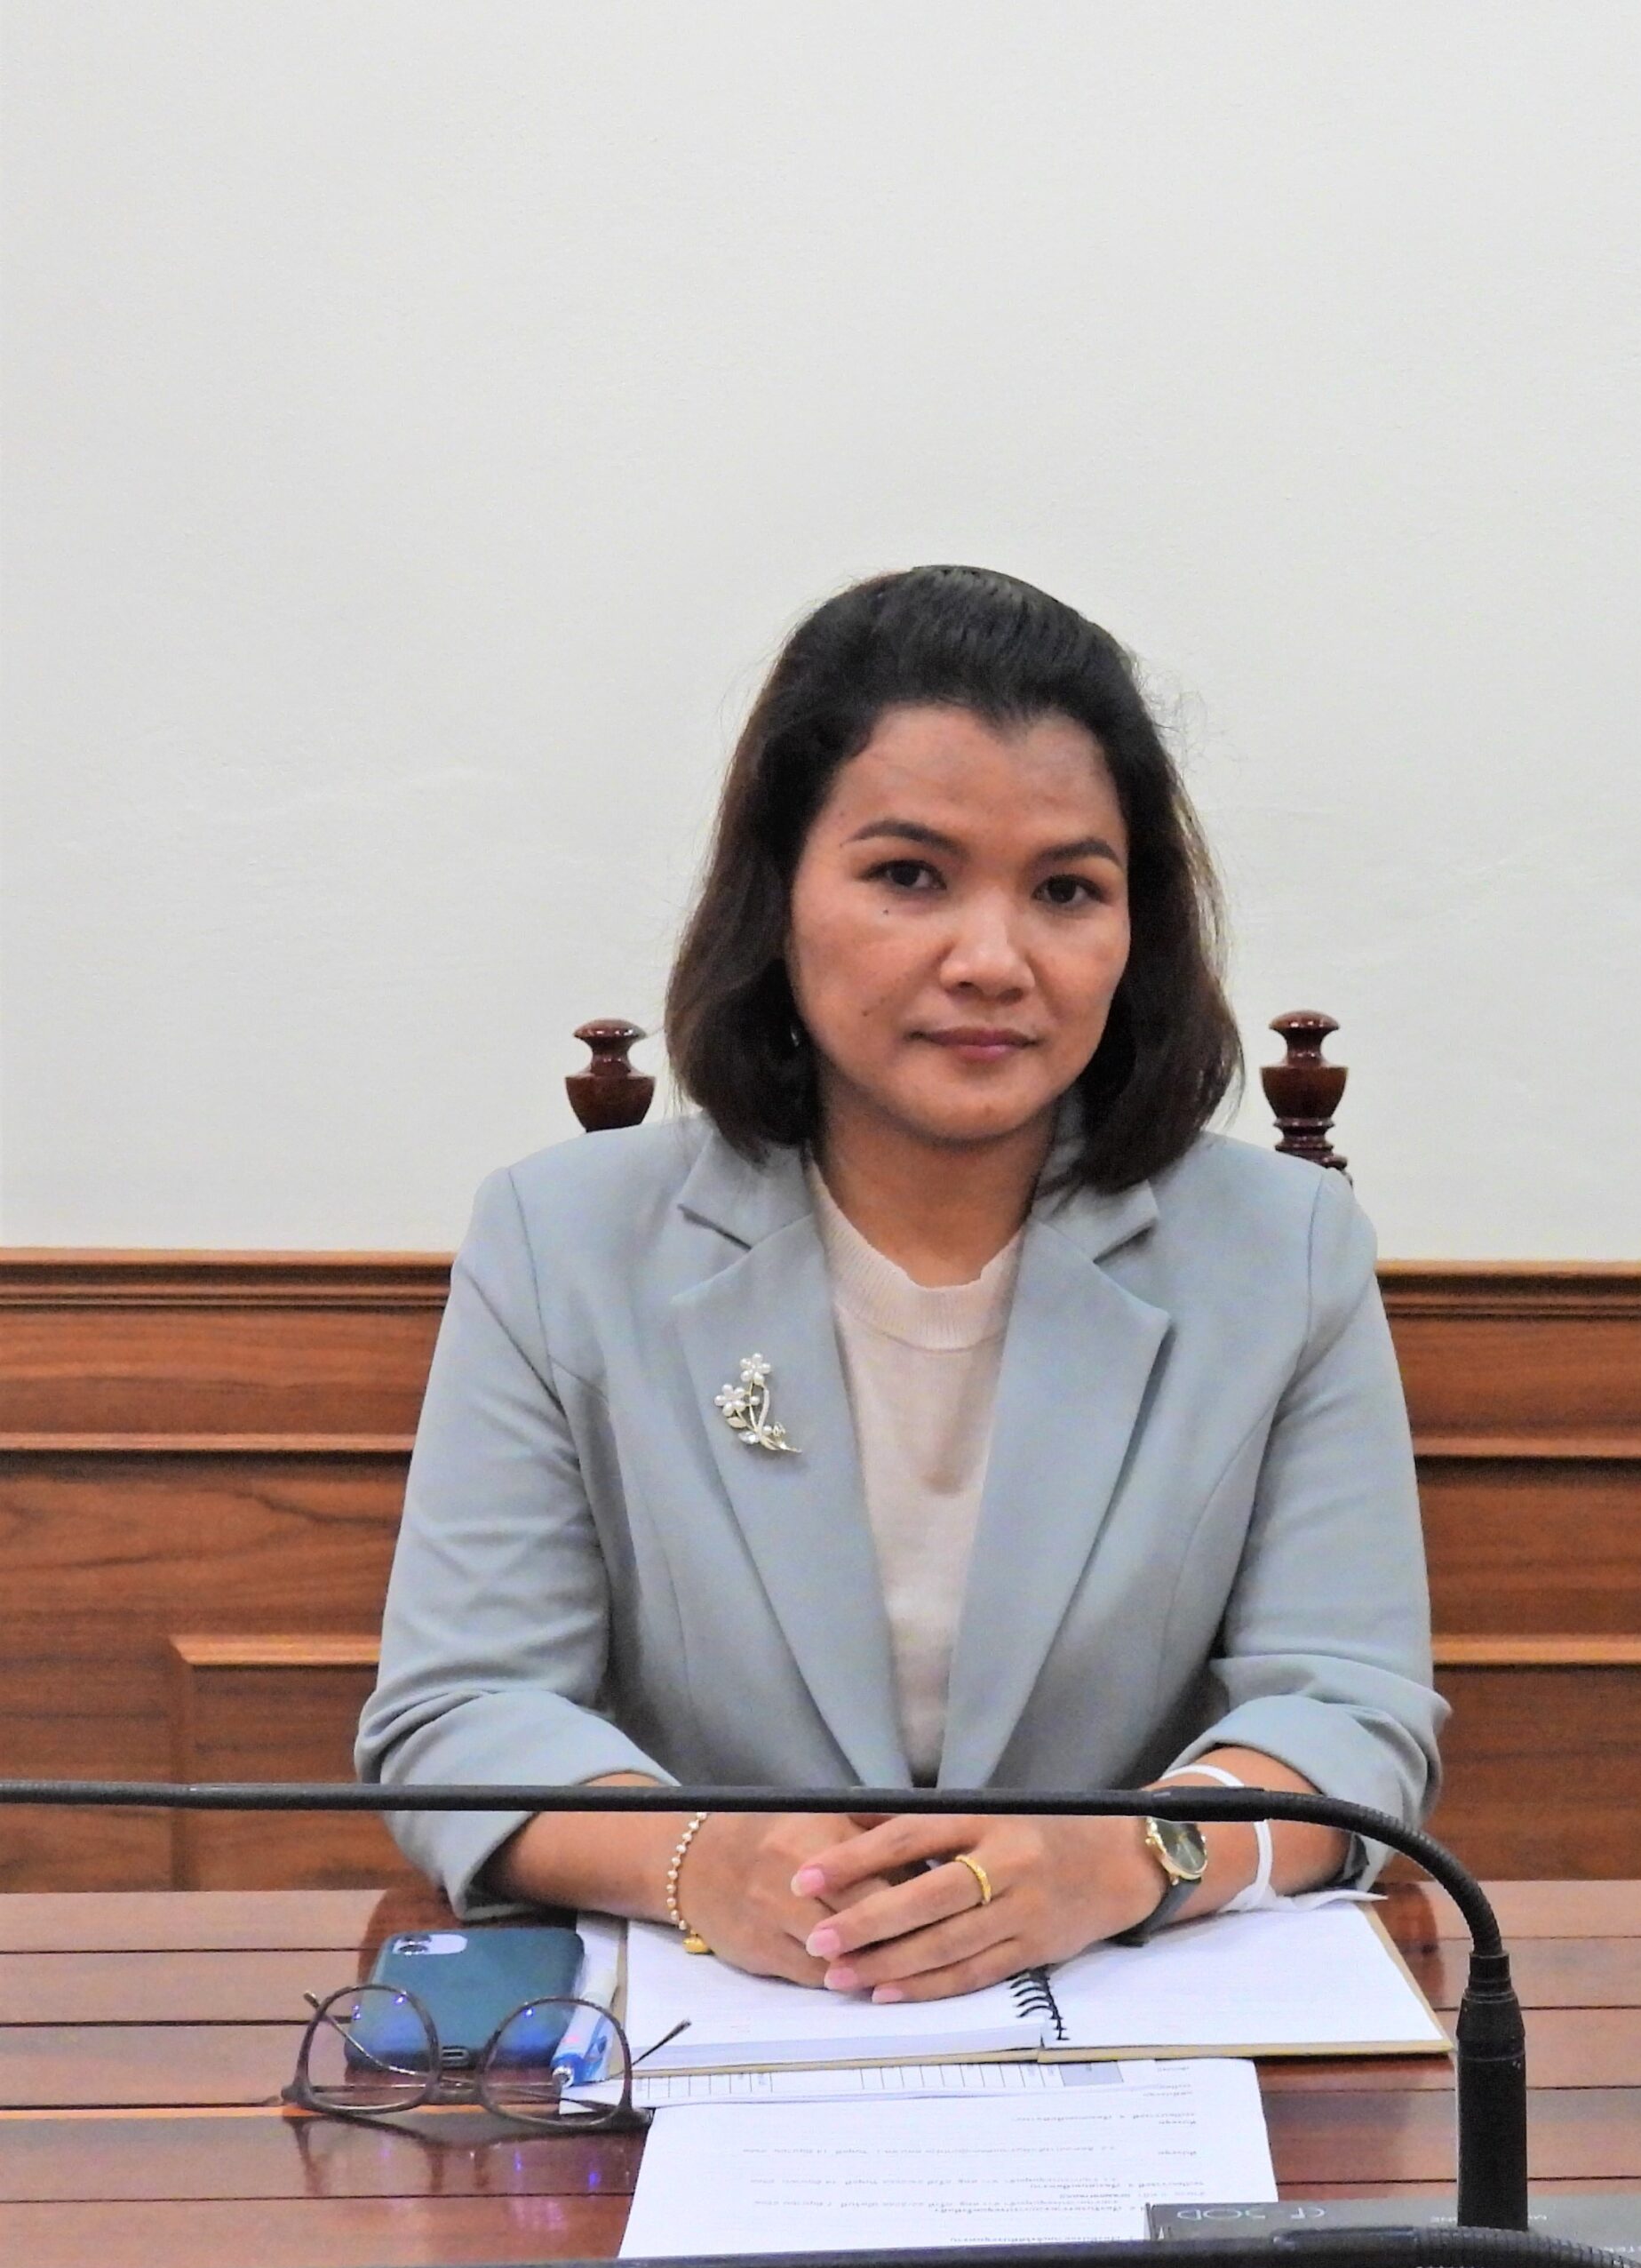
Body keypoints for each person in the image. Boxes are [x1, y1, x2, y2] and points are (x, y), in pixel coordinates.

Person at [357, 564, 1444, 2006]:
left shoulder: (1281, 1247)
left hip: (1127, 2017)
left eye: (1065, 890)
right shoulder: (562, 1241)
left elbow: (1351, 1713)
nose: (991, 960)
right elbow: (461, 1714)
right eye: (907, 877)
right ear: (777, 896)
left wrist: (1133, 1859)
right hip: (721, 2022)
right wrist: (700, 1862)